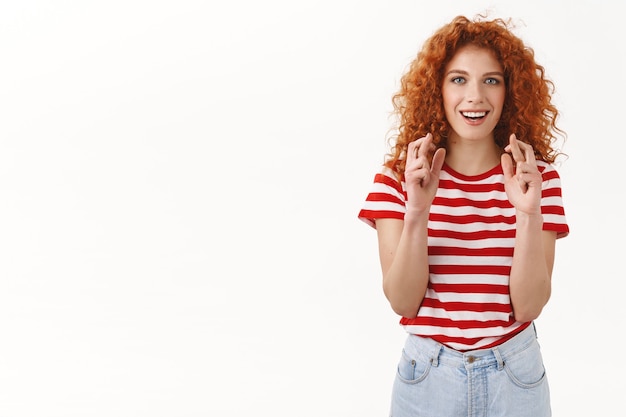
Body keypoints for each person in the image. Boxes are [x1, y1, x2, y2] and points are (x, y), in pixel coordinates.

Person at [358, 15, 569, 417]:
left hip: (515, 377)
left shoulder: (538, 180)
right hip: (427, 380)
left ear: (510, 91)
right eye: (458, 79)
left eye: (491, 80)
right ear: (436, 89)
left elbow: (528, 307)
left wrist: (527, 213)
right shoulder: (397, 180)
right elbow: (402, 300)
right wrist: (418, 212)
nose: (475, 96)